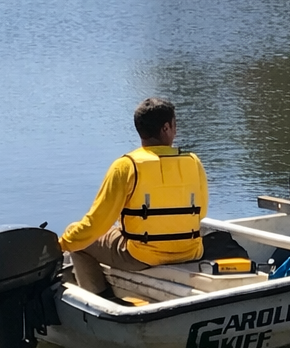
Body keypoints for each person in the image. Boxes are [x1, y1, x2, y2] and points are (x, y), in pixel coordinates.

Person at [60, 97, 208, 300]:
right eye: (175, 124)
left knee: (79, 240)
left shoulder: (126, 166)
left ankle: (101, 298)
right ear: (166, 128)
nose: (176, 129)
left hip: (141, 256)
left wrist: (63, 244)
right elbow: (202, 212)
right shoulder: (194, 162)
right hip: (191, 251)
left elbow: (96, 224)